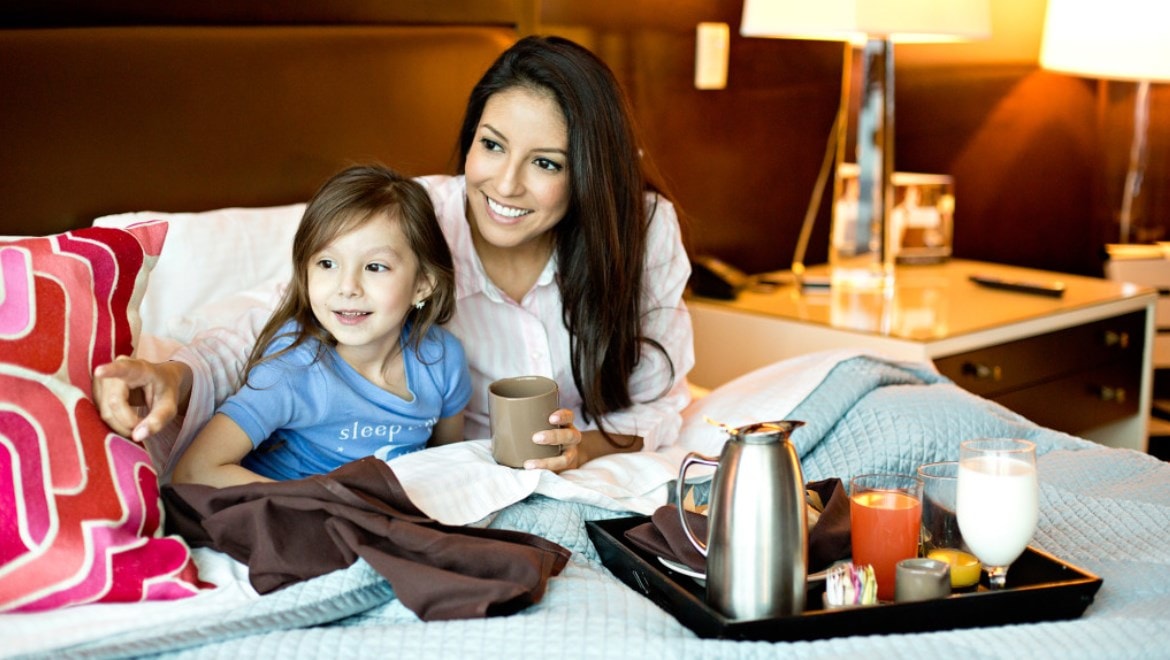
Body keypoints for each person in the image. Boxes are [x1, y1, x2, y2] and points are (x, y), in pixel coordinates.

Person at [93, 35, 694, 474]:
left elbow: (662, 404)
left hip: (575, 479)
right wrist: (175, 374)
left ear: (589, 173)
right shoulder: (418, 219)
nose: (504, 185)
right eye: (491, 146)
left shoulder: (641, 232)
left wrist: (583, 447)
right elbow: (273, 317)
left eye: (546, 164)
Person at [171, 164, 471, 487]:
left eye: (374, 266)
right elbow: (194, 471)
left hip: (384, 520)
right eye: (327, 263)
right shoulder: (294, 371)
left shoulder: (442, 360)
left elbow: (447, 465)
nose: (347, 287)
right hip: (293, 517)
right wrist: (323, 507)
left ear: (423, 284)